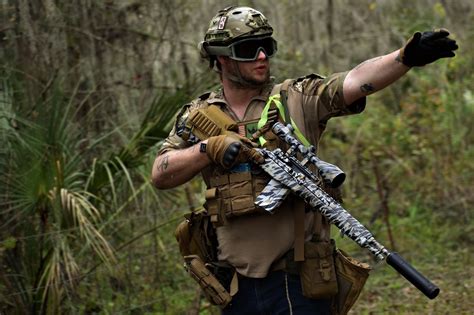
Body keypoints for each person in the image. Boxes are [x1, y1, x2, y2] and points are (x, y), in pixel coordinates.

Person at [151, 6, 458, 315]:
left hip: (299, 281)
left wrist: (404, 57)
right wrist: (207, 149)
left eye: (266, 47)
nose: (261, 56)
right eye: (248, 49)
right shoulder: (196, 116)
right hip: (233, 283)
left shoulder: (295, 98)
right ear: (222, 58)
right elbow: (161, 174)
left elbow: (354, 81)